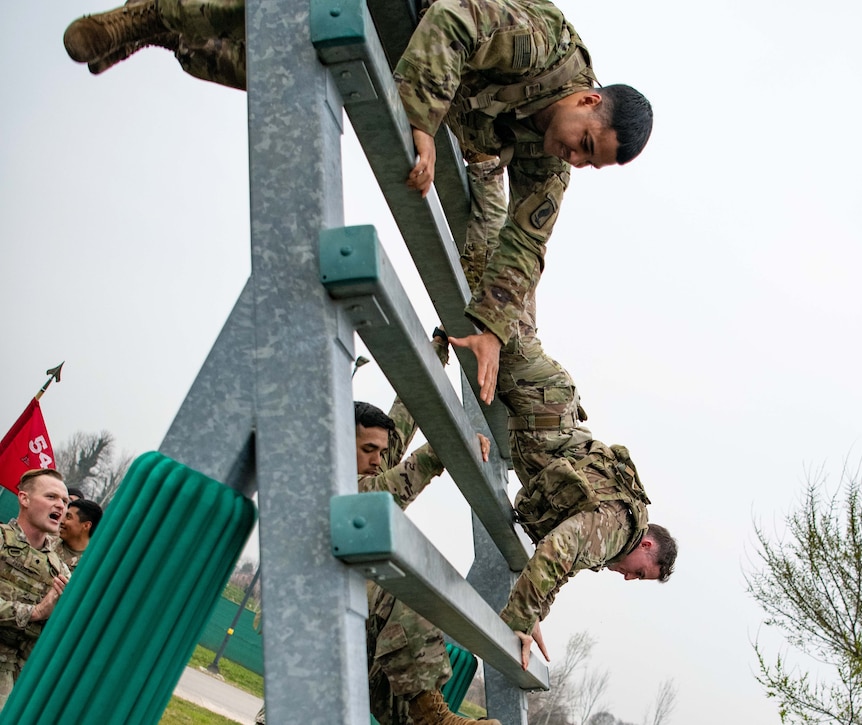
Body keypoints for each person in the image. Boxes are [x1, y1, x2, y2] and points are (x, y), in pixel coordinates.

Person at [62, 0, 654, 404]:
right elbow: (454, 21)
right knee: (280, 9)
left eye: (587, 162)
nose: (573, 159)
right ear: (586, 99)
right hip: (414, 10)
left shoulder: (551, 158)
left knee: (297, 64)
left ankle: (165, 36)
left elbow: (526, 241)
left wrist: (493, 327)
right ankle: (148, 15)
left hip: (408, 61)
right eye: (584, 144)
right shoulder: (543, 47)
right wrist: (420, 121)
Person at [453, 162, 678, 669]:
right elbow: (561, 549)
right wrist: (514, 619)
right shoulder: (621, 527)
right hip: (541, 406)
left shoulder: (614, 524)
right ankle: (489, 167)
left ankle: (495, 172)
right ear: (646, 546)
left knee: (515, 302)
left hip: (546, 406)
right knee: (489, 286)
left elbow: (564, 560)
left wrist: (536, 612)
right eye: (641, 572)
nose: (628, 578)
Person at [255, 336, 498, 725]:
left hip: (357, 627)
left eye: (381, 453)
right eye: (368, 450)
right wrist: (446, 449)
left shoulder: (367, 461)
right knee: (399, 582)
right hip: (310, 625)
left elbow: (401, 420)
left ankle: (429, 715)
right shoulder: (321, 480)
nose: (377, 460)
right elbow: (383, 494)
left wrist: (436, 353)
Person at [0, 469, 72, 709]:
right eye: (51, 497)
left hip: (23, 683)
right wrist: (36, 612)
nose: (61, 506)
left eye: (65, 501)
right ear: (24, 499)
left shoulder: (60, 570)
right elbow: (39, 612)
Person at [50, 498, 103, 571]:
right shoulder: (46, 543)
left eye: (68, 517)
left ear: (86, 526)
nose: (62, 521)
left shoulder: (92, 565)